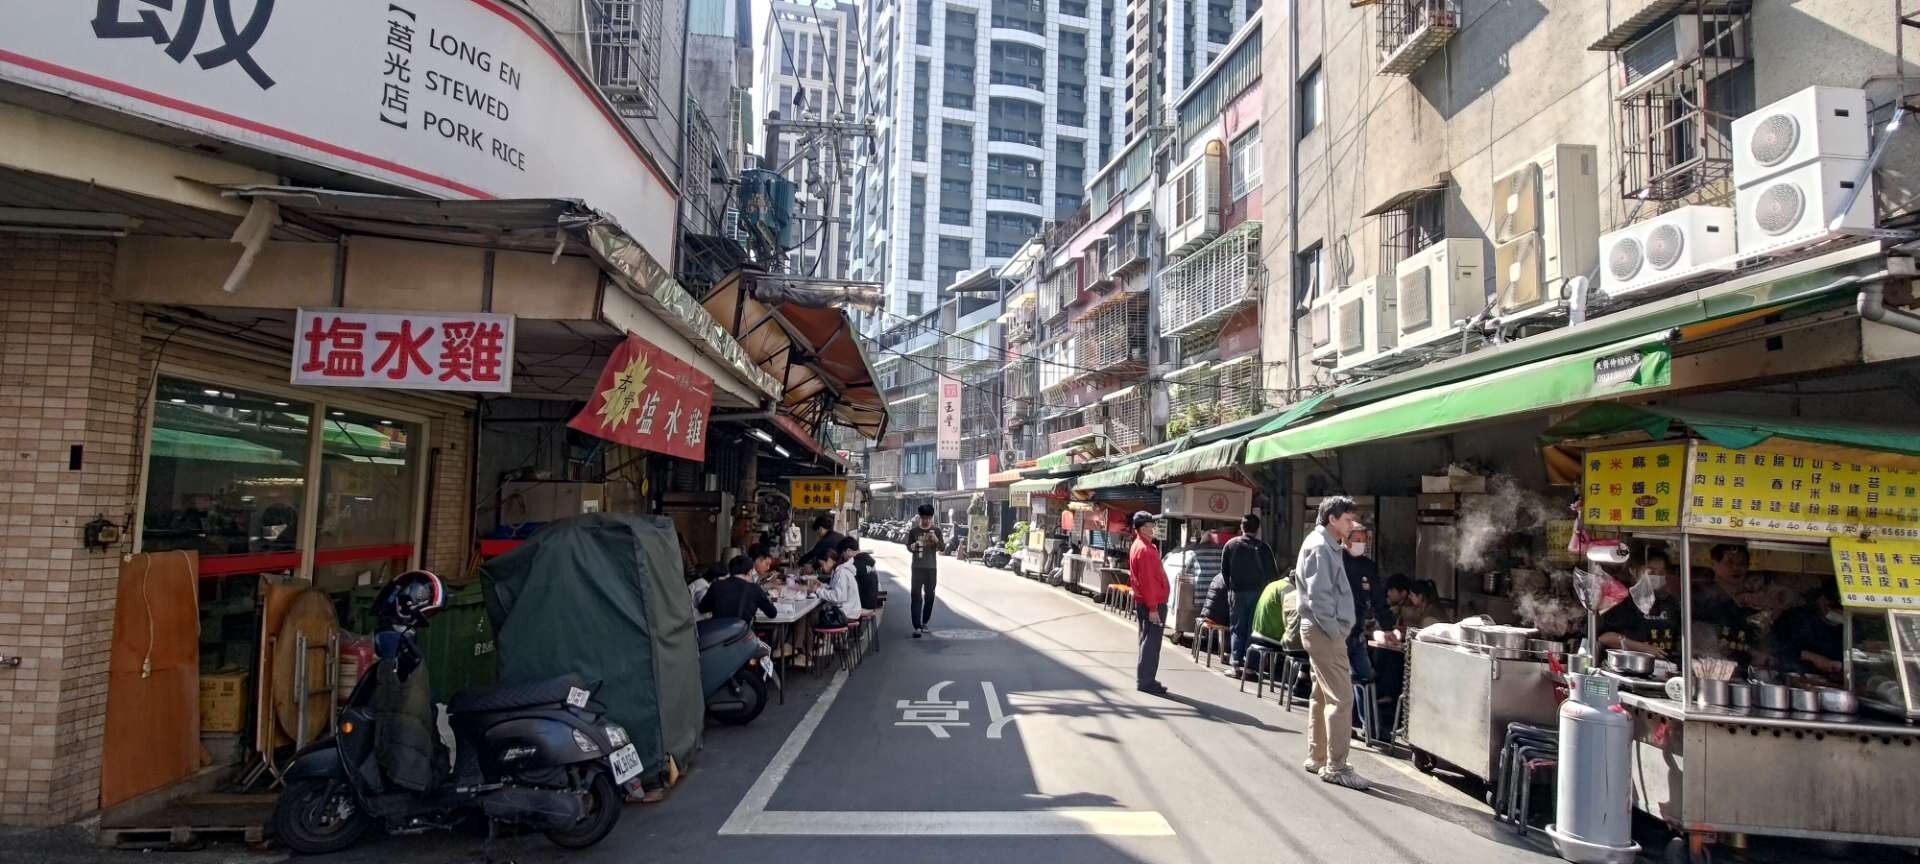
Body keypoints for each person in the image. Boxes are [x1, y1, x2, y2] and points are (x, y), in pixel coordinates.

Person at [1295, 495, 1369, 791]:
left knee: (1322, 694)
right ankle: (1336, 766)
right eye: (1348, 519)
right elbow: (1320, 598)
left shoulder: (1324, 544)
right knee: (1341, 698)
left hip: (1319, 630)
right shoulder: (1321, 547)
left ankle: (1318, 756)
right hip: (1324, 631)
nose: (1352, 525)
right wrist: (1336, 631)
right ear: (1332, 519)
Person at [1220, 513, 1279, 676]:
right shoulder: (1264, 548)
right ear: (1258, 529)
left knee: (1237, 629)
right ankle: (1251, 667)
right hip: (1258, 594)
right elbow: (1273, 575)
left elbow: (1224, 571)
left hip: (1237, 593)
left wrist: (1230, 588)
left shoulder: (1230, 545)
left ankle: (1236, 665)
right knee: (1254, 629)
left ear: (1242, 527)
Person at [1600, 549, 1680, 658]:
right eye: (1651, 572)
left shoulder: (1670, 602)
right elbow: (1605, 638)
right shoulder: (1622, 601)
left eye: (1661, 572)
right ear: (1633, 571)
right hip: (1630, 663)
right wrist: (1643, 648)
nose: (1657, 576)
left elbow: (1681, 636)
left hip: (1667, 664)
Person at [1692, 543, 1758, 665]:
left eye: (1742, 563)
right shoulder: (1699, 596)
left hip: (1743, 668)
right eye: (1729, 562)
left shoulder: (1753, 603)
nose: (1736, 568)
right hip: (1708, 665)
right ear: (1713, 564)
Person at [1128, 511, 1171, 695]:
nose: (1152, 528)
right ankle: (1146, 681)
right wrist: (1153, 608)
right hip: (1152, 602)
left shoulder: (1141, 546)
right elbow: (1148, 582)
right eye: (1148, 525)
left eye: (1151, 525)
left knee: (1147, 639)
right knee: (1151, 642)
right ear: (1141, 528)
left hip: (1145, 600)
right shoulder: (1145, 550)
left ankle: (1145, 679)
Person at [1342, 526, 1389, 687]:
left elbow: (1378, 598)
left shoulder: (1367, 566)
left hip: (1357, 632)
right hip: (1337, 632)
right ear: (1345, 540)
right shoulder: (1335, 561)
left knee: (1365, 678)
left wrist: (1388, 627)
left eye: (1363, 540)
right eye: (1357, 540)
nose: (1361, 544)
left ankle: (1362, 705)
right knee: (1340, 680)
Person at [1773, 581, 1846, 682]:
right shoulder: (1795, 618)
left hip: (1824, 682)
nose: (1839, 615)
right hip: (1791, 678)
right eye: (1836, 610)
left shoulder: (1842, 629)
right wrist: (1814, 658)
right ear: (1822, 601)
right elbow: (1776, 648)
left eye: (1843, 612)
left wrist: (1837, 668)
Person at [698, 554, 778, 623]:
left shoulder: (716, 585)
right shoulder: (754, 589)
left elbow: (702, 608)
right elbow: (772, 613)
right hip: (741, 633)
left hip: (718, 632)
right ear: (749, 572)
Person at [904, 504, 944, 637]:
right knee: (915, 596)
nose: (926, 521)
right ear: (919, 518)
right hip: (917, 568)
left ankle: (925, 621)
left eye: (928, 518)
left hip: (931, 568)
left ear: (931, 518)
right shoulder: (914, 532)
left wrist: (936, 539)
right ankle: (916, 626)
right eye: (923, 518)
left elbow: (942, 548)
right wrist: (913, 546)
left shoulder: (936, 531)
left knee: (930, 596)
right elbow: (908, 547)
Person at [820, 536, 868, 624]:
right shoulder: (844, 570)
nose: (821, 568)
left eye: (822, 564)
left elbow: (837, 597)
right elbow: (836, 589)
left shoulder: (842, 572)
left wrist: (817, 591)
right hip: (851, 611)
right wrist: (821, 586)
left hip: (845, 614)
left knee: (814, 618)